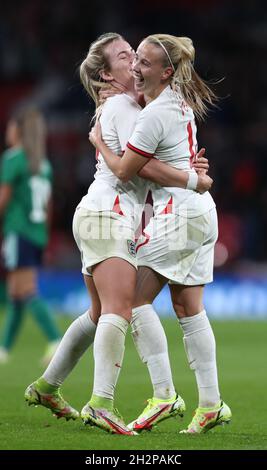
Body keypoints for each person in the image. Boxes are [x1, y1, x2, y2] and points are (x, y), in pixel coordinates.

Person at [24, 33, 211, 434]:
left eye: (137, 55)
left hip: (97, 214)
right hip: (108, 215)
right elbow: (138, 165)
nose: (135, 62)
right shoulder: (125, 106)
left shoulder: (125, 105)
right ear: (108, 74)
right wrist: (190, 175)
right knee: (121, 310)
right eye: (126, 56)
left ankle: (47, 386)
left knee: (98, 314)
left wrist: (184, 156)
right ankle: (103, 403)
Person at [89, 33, 232, 434]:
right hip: (201, 215)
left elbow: (125, 169)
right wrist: (192, 176)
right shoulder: (176, 103)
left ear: (166, 72)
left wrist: (100, 141)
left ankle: (165, 394)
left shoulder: (152, 115)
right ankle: (210, 404)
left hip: (180, 215)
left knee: (133, 301)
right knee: (189, 309)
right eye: (135, 60)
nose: (135, 67)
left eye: (145, 64)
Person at [0, 108, 62, 366]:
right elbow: (49, 207)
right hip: (35, 234)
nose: (7, 131)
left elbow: (3, 199)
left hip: (18, 230)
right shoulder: (43, 164)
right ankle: (4, 349)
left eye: (10, 126)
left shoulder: (14, 158)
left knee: (25, 289)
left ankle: (56, 340)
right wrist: (44, 238)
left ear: (18, 131)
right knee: (16, 292)